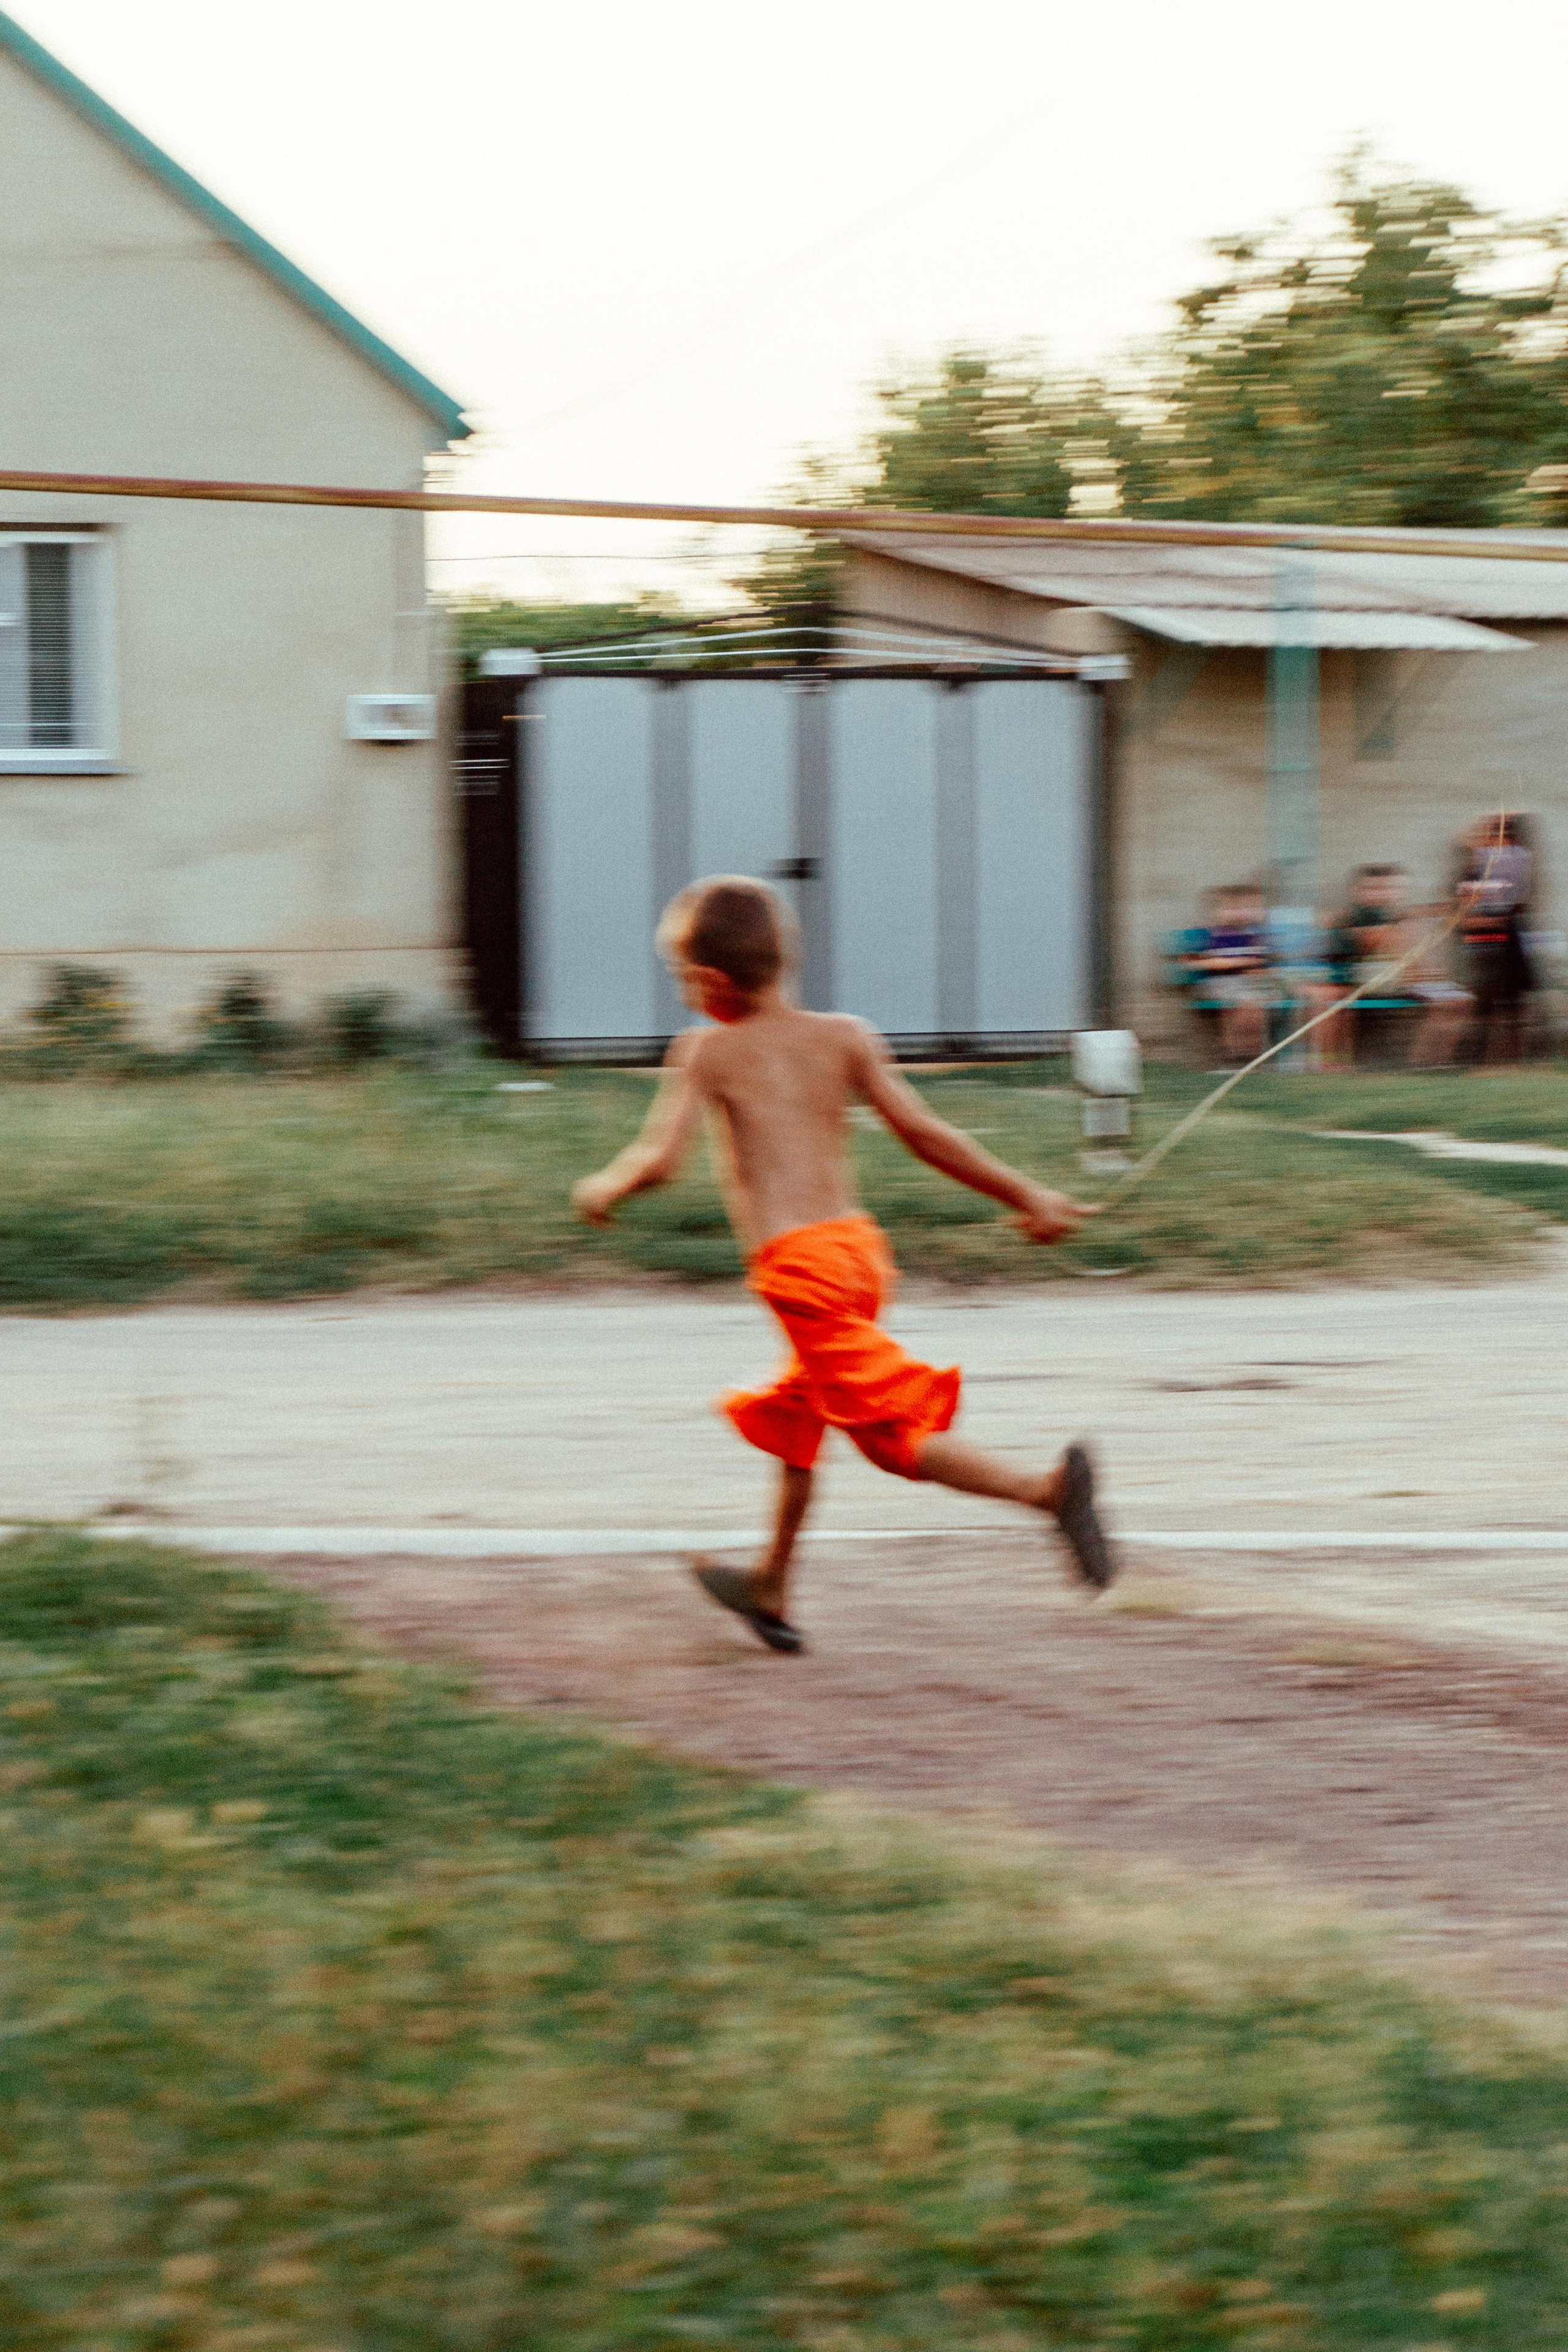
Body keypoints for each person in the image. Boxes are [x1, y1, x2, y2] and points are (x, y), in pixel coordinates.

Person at [571, 875, 1115, 1654]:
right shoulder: (845, 1035)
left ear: (715, 982)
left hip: (798, 1272)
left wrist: (602, 1186)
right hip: (858, 1255)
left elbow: (659, 1161)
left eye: (683, 979)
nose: (683, 995)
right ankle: (772, 1585)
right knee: (798, 1422)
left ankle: (1049, 1493)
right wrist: (1024, 1193)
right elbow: (926, 1133)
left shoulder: (707, 1051)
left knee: (888, 1439)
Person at [1458, 816, 1534, 1066]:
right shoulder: (1476, 867)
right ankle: (1481, 1060)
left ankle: (1510, 1061)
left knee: (1512, 1004)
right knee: (1486, 1005)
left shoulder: (1517, 862)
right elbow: (1466, 913)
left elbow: (1518, 904)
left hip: (1508, 942)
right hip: (1485, 946)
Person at [1188, 883, 1276, 1067]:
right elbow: (1195, 961)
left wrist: (1254, 968)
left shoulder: (1250, 935)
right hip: (1217, 983)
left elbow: (1259, 964)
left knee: (1257, 1005)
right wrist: (1234, 963)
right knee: (1239, 1004)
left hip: (1245, 984)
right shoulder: (1208, 935)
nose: (1235, 913)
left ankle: (1251, 1053)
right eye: (1228, 908)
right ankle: (1233, 1054)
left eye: (1239, 908)